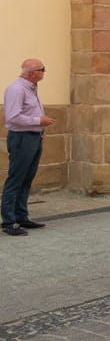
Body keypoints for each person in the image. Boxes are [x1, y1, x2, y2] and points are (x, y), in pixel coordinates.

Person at [2, 59, 56, 236]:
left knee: (26, 179)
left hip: (33, 137)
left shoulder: (31, 88)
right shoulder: (17, 89)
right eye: (42, 69)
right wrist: (38, 121)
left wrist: (39, 127)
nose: (44, 72)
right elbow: (12, 117)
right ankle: (8, 222)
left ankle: (21, 217)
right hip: (21, 139)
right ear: (32, 73)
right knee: (15, 180)